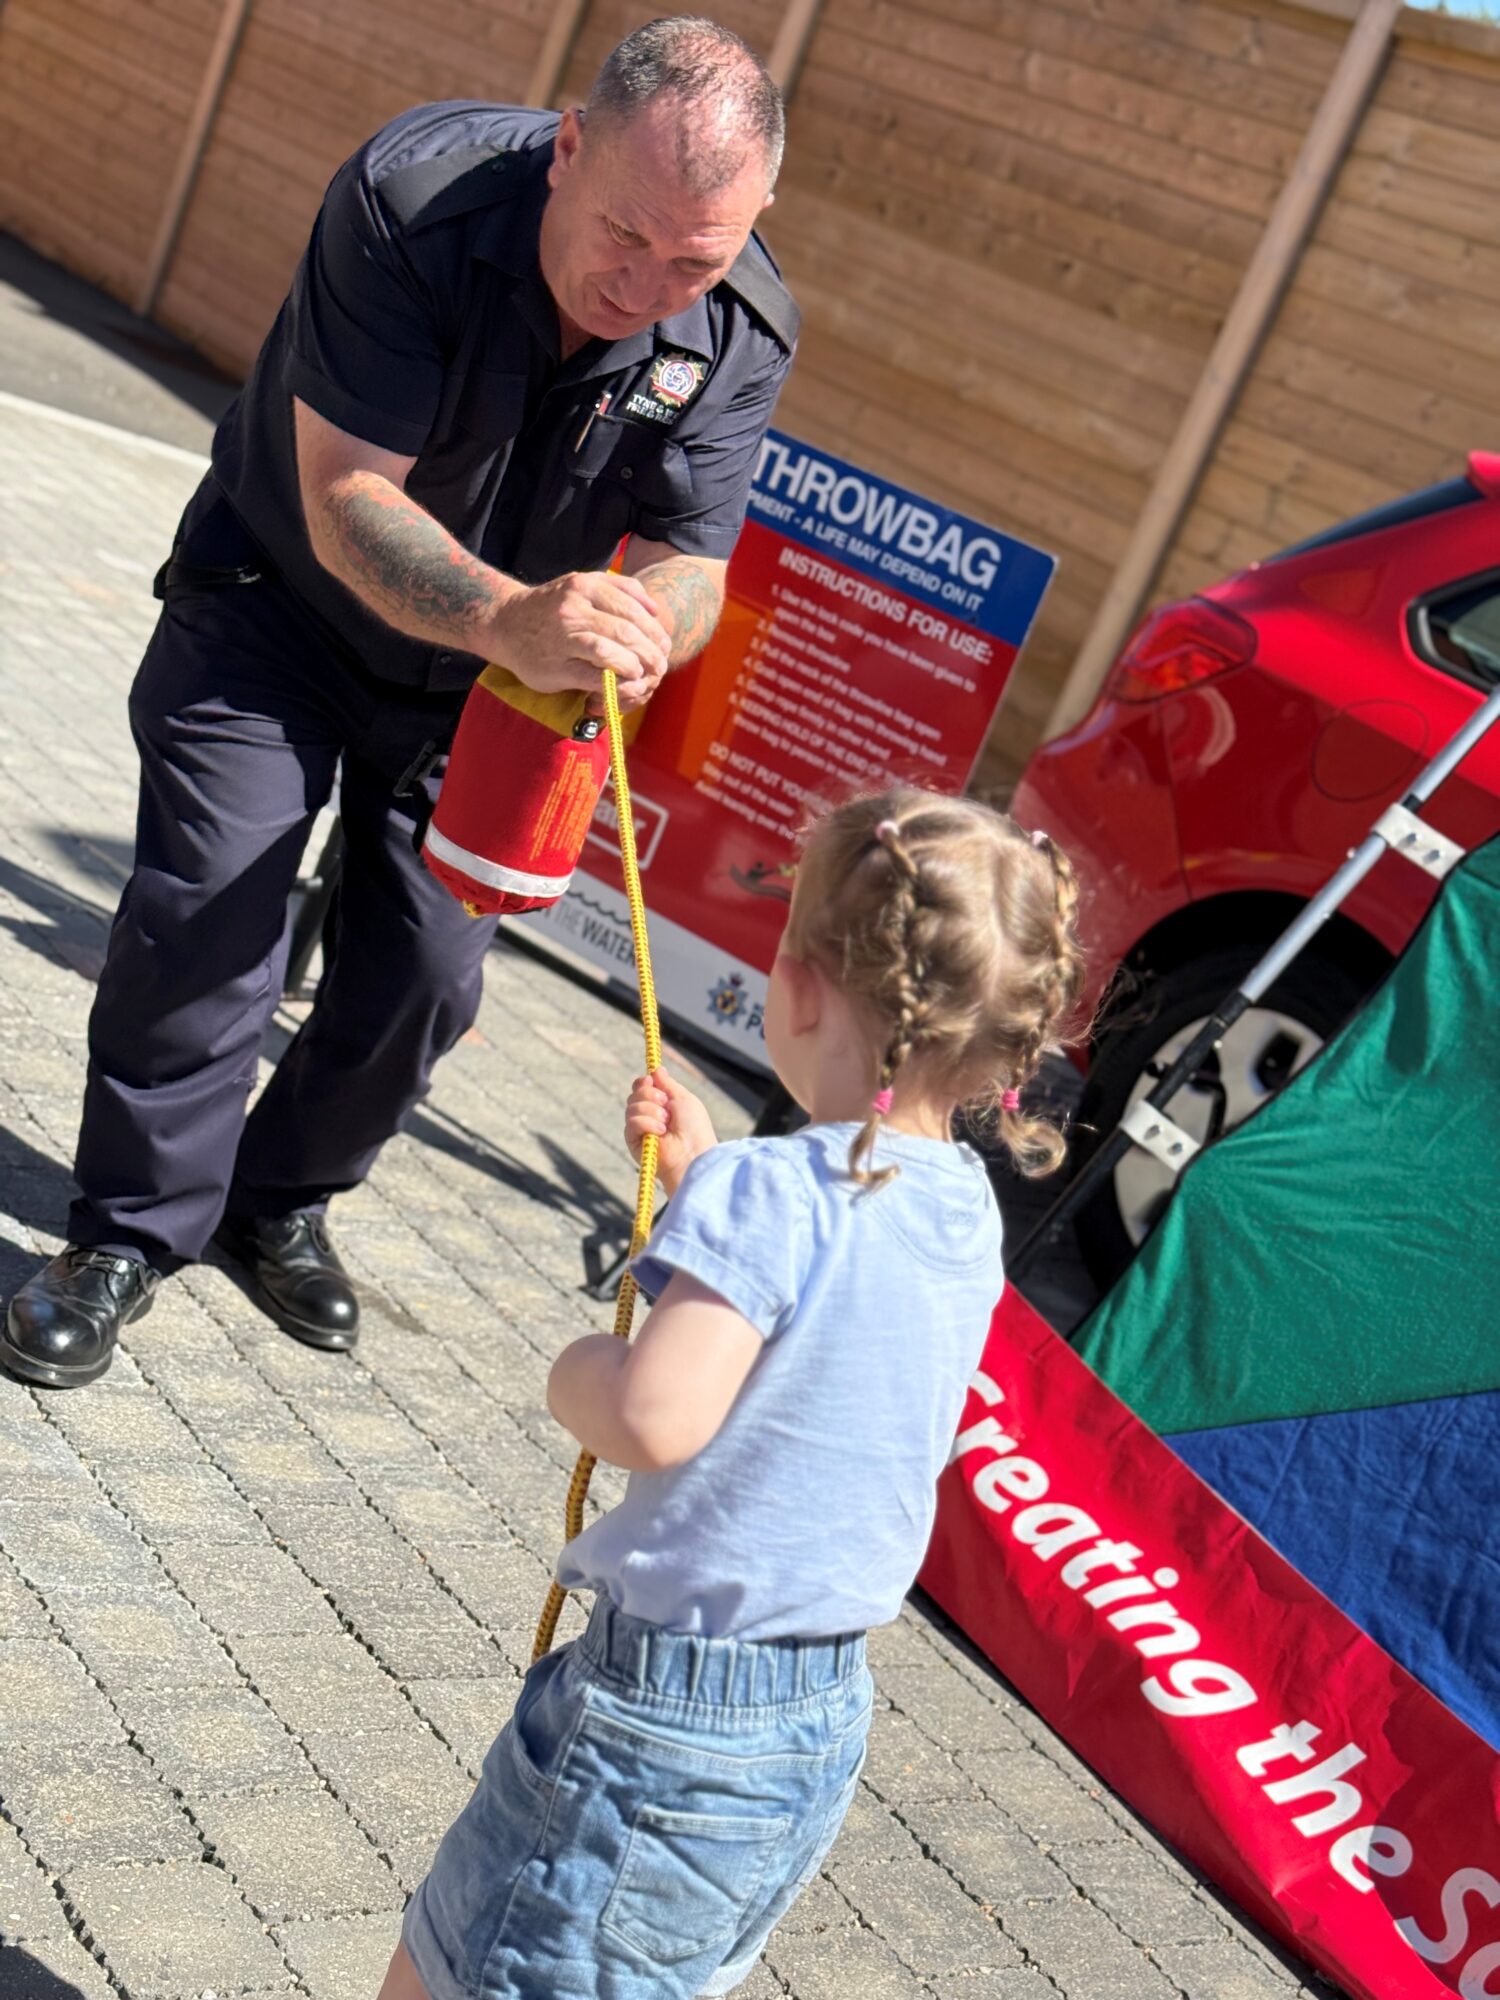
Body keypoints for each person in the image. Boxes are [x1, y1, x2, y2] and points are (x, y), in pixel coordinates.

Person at [2, 19, 798, 1389]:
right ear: (566, 148)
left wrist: (644, 627)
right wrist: (520, 616)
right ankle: (128, 1232)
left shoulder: (735, 330)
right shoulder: (412, 202)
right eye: (624, 234)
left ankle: (279, 1202)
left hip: (496, 683)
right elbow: (345, 497)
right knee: (212, 910)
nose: (646, 284)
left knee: (427, 977)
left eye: (694, 259)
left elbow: (694, 563)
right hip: (278, 607)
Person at [378, 786, 1085, 2000]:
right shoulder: (961, 1206)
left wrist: (574, 1372)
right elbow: (818, 1321)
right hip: (810, 1718)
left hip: (664, 1717)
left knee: (471, 1965)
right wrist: (702, 1172)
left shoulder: (771, 1191)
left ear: (799, 984)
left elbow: (656, 1414)